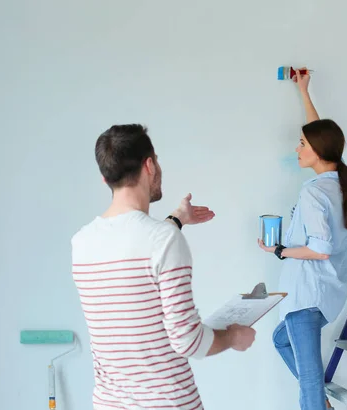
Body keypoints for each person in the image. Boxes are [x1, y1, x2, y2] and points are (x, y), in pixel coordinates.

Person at [72, 124, 257, 410]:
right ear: (149, 166)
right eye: (156, 159)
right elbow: (187, 341)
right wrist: (234, 337)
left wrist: (176, 220)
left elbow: (132, 251)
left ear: (105, 178)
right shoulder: (163, 241)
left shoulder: (81, 243)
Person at [257, 69, 347, 410]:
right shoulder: (340, 178)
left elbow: (320, 249)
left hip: (308, 295)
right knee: (281, 341)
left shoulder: (316, 193)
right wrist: (304, 91)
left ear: (316, 150)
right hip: (325, 292)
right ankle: (324, 405)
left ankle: (320, 405)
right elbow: (318, 135)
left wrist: (281, 251)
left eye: (302, 144)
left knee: (311, 382)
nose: (297, 148)